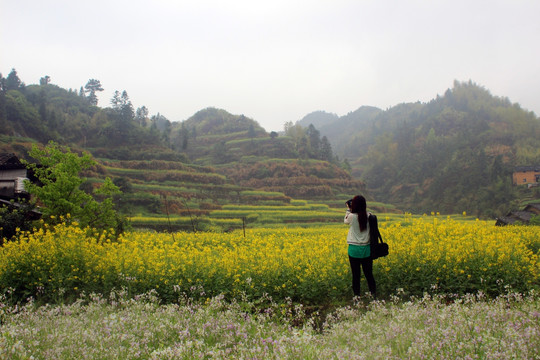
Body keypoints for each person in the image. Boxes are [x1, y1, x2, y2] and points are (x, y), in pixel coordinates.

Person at [344, 195, 376, 299]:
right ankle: (373, 295)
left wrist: (348, 209)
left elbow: (345, 221)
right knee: (369, 274)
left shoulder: (351, 216)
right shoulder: (369, 216)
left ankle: (357, 297)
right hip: (366, 250)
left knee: (356, 275)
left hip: (354, 250)